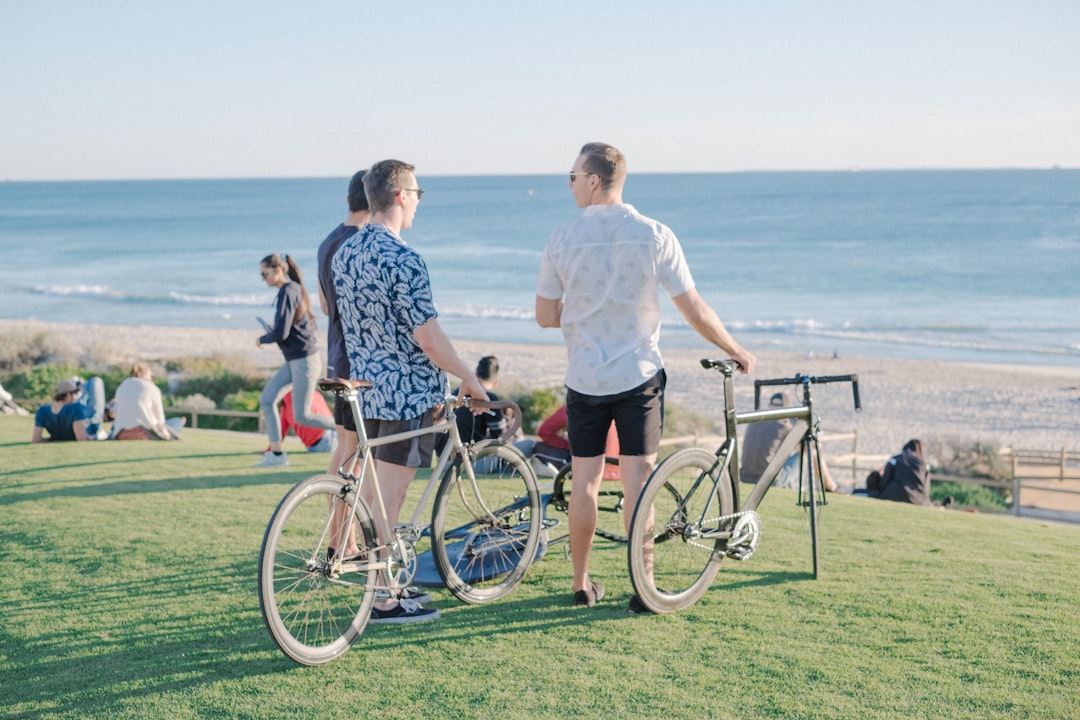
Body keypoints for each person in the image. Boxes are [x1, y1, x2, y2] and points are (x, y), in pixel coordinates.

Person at [535, 142, 756, 612]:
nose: (570, 183)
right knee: (639, 484)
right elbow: (693, 308)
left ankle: (581, 584)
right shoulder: (654, 235)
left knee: (585, 483)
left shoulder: (560, 239)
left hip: (584, 378)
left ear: (594, 180)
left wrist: (588, 311)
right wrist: (733, 349)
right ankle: (644, 587)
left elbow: (544, 316)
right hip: (637, 377)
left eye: (573, 175)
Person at [332, 158, 488, 624]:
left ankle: (389, 584)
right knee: (389, 502)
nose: (418, 201)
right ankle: (383, 598)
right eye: (417, 193)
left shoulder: (347, 253)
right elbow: (429, 338)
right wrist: (471, 378)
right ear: (401, 196)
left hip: (366, 390)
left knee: (375, 493)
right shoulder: (404, 258)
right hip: (406, 394)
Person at [254, 252, 337, 467]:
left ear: (278, 270)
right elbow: (286, 328)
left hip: (305, 362)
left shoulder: (289, 291)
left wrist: (263, 338)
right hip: (294, 361)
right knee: (267, 399)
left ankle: (350, 428)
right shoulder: (289, 291)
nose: (263, 278)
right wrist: (272, 332)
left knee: (302, 416)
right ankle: (277, 455)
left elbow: (281, 333)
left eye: (265, 273)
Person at [740, 392, 837, 492]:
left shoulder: (754, 421)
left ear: (769, 405)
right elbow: (810, 447)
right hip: (769, 480)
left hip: (745, 477)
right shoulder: (784, 425)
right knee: (811, 451)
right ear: (786, 410)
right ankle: (831, 487)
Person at [111, 362, 185, 440]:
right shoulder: (151, 388)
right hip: (144, 432)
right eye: (150, 375)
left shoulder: (122, 386)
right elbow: (160, 419)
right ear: (146, 374)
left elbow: (116, 411)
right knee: (177, 422)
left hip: (120, 432)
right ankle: (180, 422)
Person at [867, 438, 933, 506]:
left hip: (893, 495)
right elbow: (926, 490)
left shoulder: (895, 460)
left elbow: (884, 481)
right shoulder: (924, 465)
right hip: (918, 500)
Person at [32, 378, 100, 442]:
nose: (76, 396)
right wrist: (93, 437)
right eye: (75, 393)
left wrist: (52, 439)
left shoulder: (42, 411)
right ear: (68, 394)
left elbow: (36, 439)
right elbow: (81, 437)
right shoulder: (76, 408)